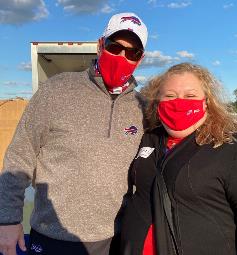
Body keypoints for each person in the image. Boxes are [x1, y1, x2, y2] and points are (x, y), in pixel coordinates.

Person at [0, 12, 148, 255]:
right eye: (115, 47)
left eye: (132, 53)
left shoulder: (141, 107)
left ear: (140, 59)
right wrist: (7, 219)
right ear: (100, 46)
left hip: (113, 239)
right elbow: (20, 156)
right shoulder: (56, 90)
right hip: (52, 237)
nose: (122, 56)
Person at [120, 62, 237, 255]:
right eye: (170, 96)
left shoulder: (230, 147)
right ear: (157, 102)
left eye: (190, 96)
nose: (179, 102)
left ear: (207, 101)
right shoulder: (150, 138)